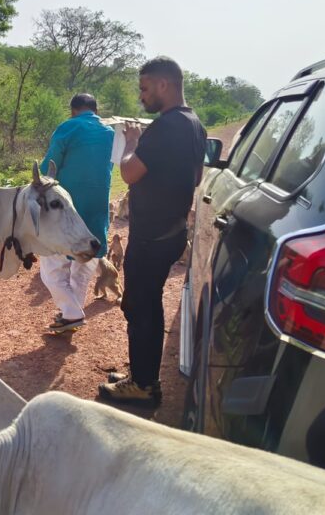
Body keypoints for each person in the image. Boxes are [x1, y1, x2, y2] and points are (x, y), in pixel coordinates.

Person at [99, 56, 206, 404]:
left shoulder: (166, 126)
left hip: (151, 239)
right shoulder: (195, 125)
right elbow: (197, 177)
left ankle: (144, 386)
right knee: (148, 306)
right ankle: (143, 375)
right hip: (171, 233)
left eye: (145, 89)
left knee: (140, 308)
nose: (142, 96)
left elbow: (129, 173)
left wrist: (131, 142)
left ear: (164, 85)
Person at [39, 93, 114, 333]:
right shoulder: (111, 132)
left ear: (73, 110)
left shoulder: (68, 128)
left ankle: (71, 313)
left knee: (51, 268)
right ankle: (71, 315)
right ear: (96, 109)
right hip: (98, 209)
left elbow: (48, 169)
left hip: (69, 212)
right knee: (83, 268)